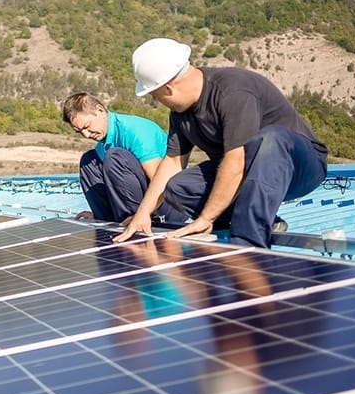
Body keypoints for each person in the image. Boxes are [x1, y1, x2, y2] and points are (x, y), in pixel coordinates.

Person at [115, 38, 328, 248]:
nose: (157, 101)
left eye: (155, 96)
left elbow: (237, 160)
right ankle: (261, 219)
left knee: (270, 139)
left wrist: (206, 217)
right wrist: (143, 213)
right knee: (179, 188)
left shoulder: (232, 91)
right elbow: (172, 162)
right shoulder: (180, 114)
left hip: (299, 167)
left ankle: (249, 243)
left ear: (168, 88)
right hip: (249, 173)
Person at [62, 92, 186, 225]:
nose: (86, 135)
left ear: (100, 110)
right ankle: (108, 221)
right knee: (88, 161)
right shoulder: (103, 145)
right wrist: (98, 213)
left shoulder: (135, 132)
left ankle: (134, 222)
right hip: (145, 204)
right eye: (79, 131)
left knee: (115, 157)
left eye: (87, 126)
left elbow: (164, 185)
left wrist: (141, 214)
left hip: (171, 204)